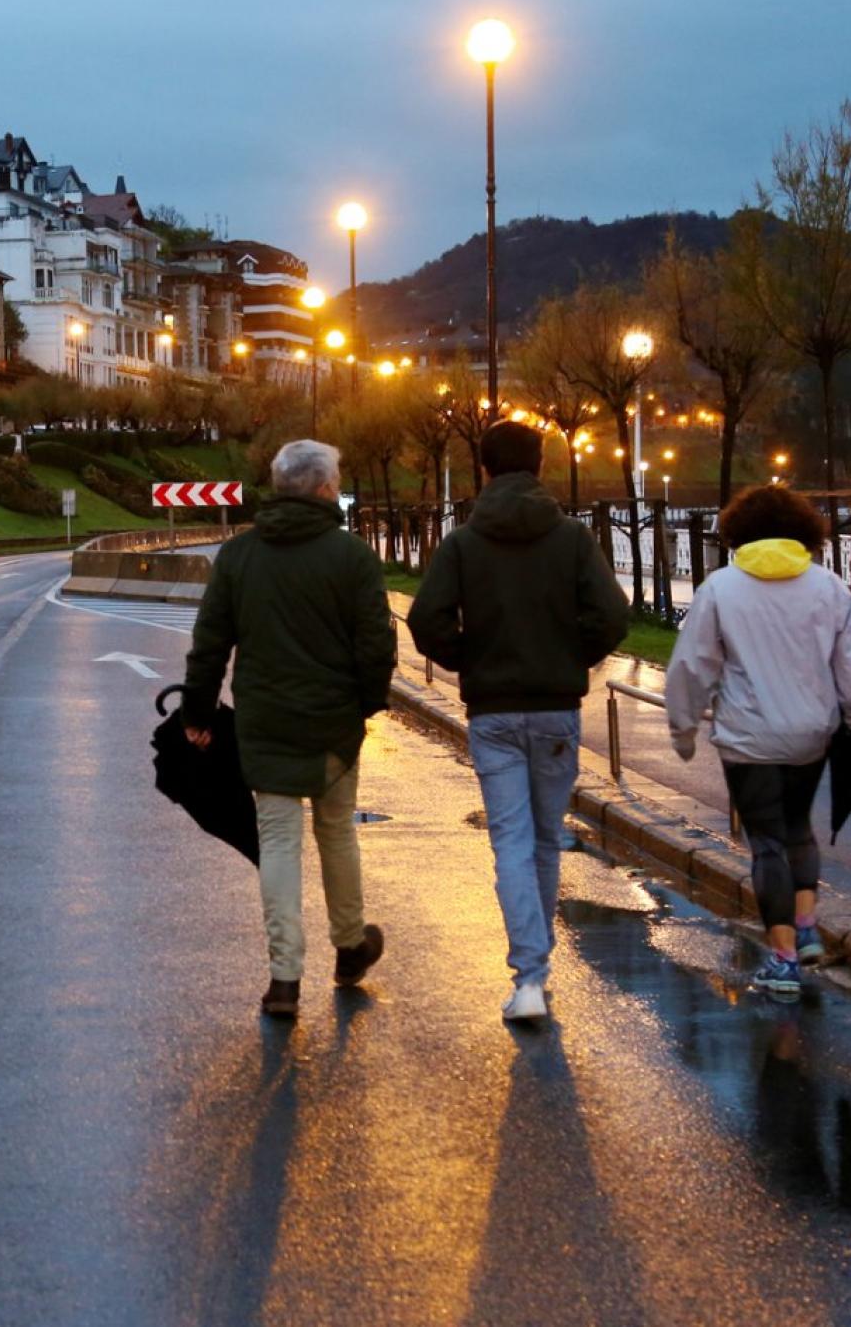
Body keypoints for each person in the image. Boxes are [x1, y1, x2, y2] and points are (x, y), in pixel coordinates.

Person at [407, 420, 630, 1023]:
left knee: (509, 838)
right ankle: (538, 965)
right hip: (556, 709)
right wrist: (570, 657)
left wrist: (468, 657)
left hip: (495, 713)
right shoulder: (573, 539)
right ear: (539, 467)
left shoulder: (462, 542)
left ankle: (528, 976)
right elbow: (612, 615)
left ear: (483, 469)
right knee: (545, 835)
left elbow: (426, 619)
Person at [184, 439, 398, 1020]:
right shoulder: (352, 557)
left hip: (265, 719)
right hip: (332, 723)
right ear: (326, 488)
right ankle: (350, 946)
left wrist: (198, 714)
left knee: (277, 840)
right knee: (336, 831)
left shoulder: (239, 556)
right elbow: (376, 644)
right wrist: (368, 703)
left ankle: (284, 979)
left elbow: (210, 644)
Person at [666, 485, 851, 999]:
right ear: (803, 531)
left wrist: (684, 726)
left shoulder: (721, 589)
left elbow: (693, 665)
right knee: (798, 827)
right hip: (812, 733)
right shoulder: (829, 588)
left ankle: (783, 960)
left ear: (737, 533)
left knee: (766, 843)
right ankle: (805, 927)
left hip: (749, 736)